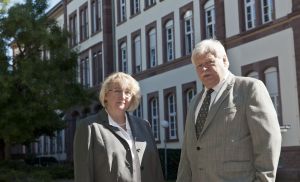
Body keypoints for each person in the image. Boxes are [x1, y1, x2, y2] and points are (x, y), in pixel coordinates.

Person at [176, 39, 282, 182]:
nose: (204, 69)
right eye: (199, 66)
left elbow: (268, 141)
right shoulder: (195, 101)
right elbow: (187, 152)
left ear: (225, 60)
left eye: (209, 62)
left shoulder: (249, 88)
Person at [74, 72, 164, 182]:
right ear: (106, 95)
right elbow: (83, 174)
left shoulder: (144, 126)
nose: (122, 96)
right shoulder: (89, 127)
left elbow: (156, 169)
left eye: (128, 92)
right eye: (117, 91)